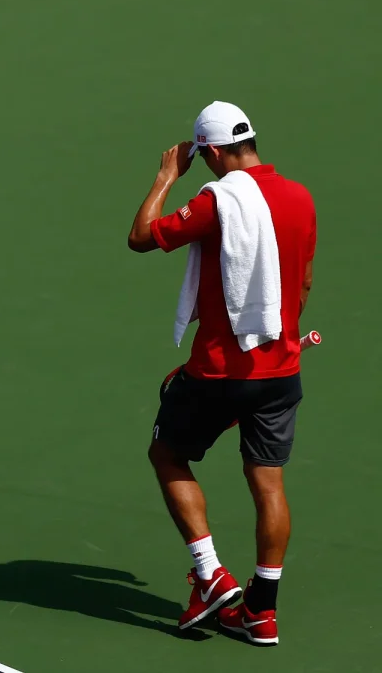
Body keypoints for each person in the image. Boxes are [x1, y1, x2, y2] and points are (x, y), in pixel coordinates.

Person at [127, 101, 316, 646]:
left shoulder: (216, 200)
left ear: (209, 152)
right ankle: (262, 610)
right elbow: (301, 287)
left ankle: (210, 575)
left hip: (216, 373)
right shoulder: (301, 198)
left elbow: (142, 235)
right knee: (269, 485)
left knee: (167, 454)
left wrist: (166, 177)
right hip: (281, 371)